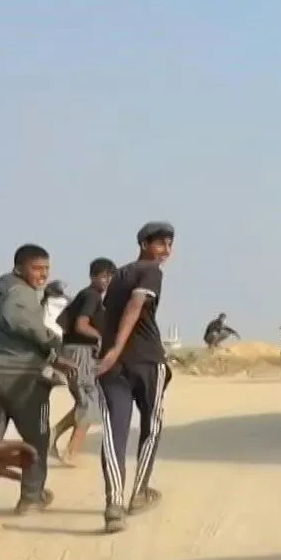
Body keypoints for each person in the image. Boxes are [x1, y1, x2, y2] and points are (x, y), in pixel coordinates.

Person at [0, 244, 62, 529]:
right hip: (21, 377)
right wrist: (50, 340)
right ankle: (31, 496)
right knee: (36, 438)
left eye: (46, 269)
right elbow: (18, 317)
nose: (43, 275)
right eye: (37, 268)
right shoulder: (18, 292)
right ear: (19, 268)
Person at [96, 222, 176, 533]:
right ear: (144, 243)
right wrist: (117, 348)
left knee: (114, 432)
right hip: (145, 360)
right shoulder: (151, 271)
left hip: (113, 367)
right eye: (160, 244)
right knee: (152, 424)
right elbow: (134, 306)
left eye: (169, 245)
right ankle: (139, 492)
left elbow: (108, 313)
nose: (166, 251)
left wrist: (109, 351)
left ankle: (113, 504)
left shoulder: (118, 275)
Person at [50, 258, 115, 467]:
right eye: (102, 276)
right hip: (81, 354)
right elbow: (80, 325)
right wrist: (100, 337)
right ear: (93, 276)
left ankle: (53, 435)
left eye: (109, 276)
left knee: (86, 403)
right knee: (89, 404)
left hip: (79, 353)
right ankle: (71, 453)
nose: (106, 280)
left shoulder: (88, 296)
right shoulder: (91, 296)